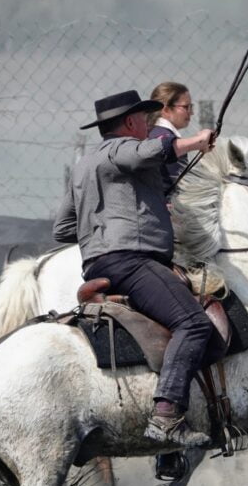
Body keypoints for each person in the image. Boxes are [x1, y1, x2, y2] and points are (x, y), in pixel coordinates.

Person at [53, 90, 220, 448]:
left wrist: (105, 223)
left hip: (99, 262)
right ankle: (166, 416)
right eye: (145, 120)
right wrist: (197, 141)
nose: (149, 127)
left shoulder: (83, 165)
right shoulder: (122, 148)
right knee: (192, 323)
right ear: (130, 122)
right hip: (132, 261)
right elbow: (152, 150)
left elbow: (62, 228)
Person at [147, 81, 195, 193]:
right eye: (186, 107)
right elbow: (180, 188)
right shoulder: (170, 142)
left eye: (191, 107)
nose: (191, 112)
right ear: (166, 110)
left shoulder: (150, 134)